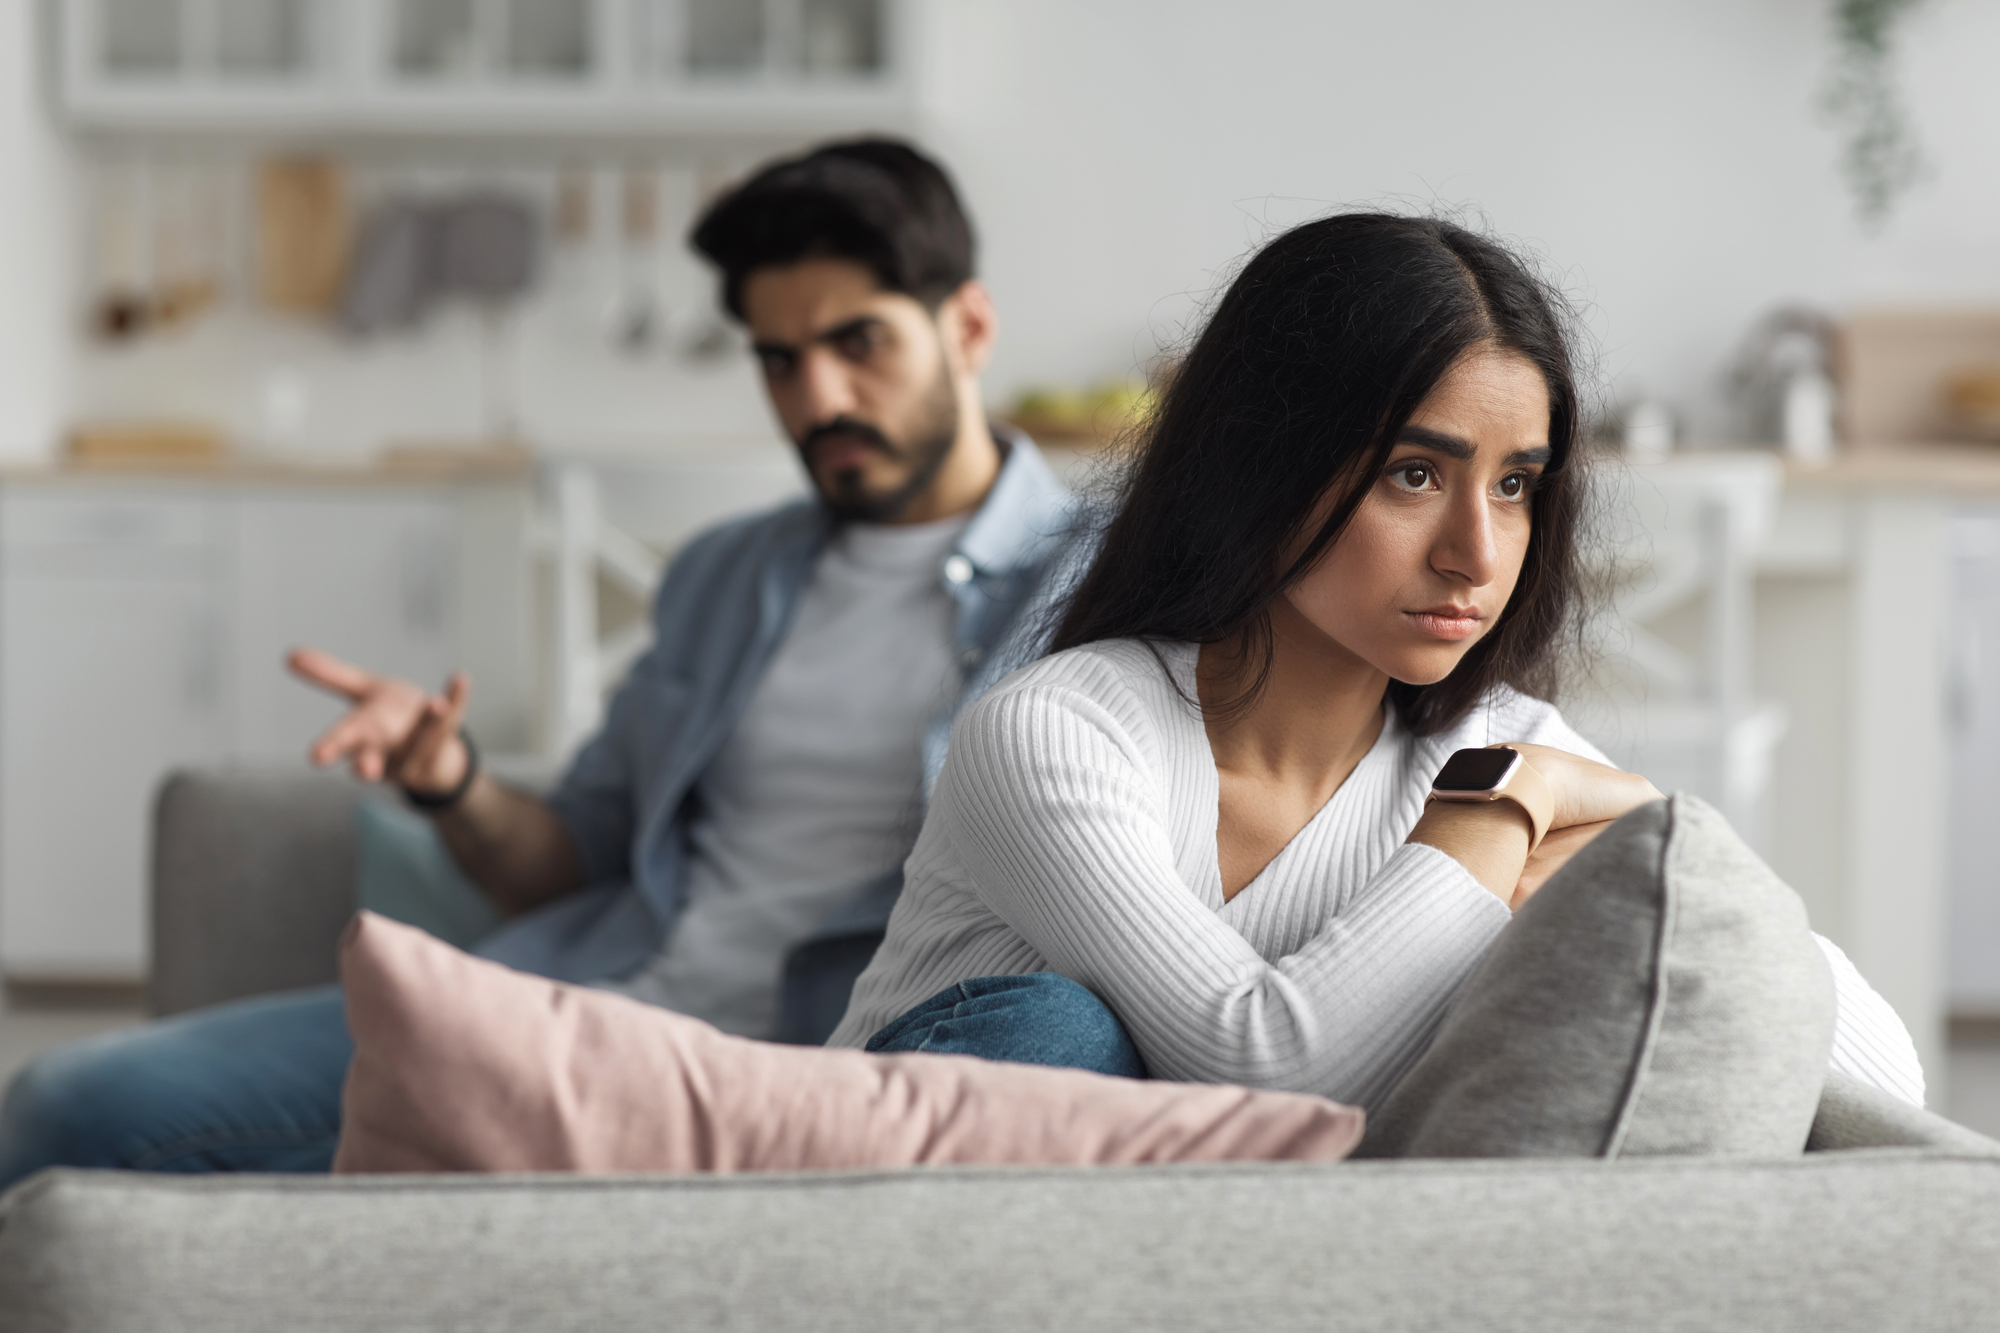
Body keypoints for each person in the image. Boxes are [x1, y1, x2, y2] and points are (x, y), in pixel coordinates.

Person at [0, 138, 1074, 1187]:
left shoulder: (1093, 580)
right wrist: (451, 781)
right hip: (574, 1003)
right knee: (67, 1102)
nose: (820, 399)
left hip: (795, 1067)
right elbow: (574, 851)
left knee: (271, 1187)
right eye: (779, 360)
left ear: (966, 327)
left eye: (860, 343)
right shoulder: (725, 574)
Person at [827, 213, 1925, 1112]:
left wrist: (1642, 826)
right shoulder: (1059, 729)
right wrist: (1488, 823)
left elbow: (1886, 1074)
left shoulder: (1509, 756)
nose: (1474, 552)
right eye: (1412, 474)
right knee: (1060, 1029)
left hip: (1187, 1263)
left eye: (1512, 485)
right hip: (876, 1225)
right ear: (1261, 465)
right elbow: (1263, 1071)